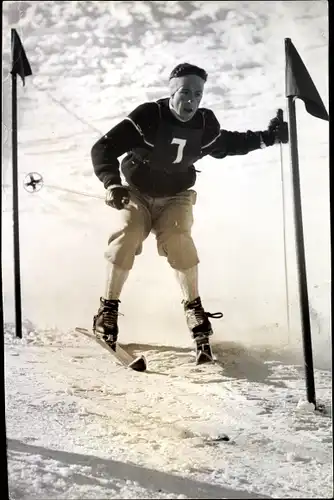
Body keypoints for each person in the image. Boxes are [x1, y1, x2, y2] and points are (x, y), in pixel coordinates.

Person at [90, 62, 288, 359]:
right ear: (171, 92)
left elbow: (227, 143)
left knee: (179, 238)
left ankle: (195, 312)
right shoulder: (149, 117)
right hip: (137, 192)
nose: (191, 100)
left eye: (198, 93)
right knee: (129, 234)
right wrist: (111, 183)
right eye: (184, 92)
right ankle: (107, 310)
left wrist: (267, 138)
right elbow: (103, 148)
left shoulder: (205, 125)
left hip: (176, 197)